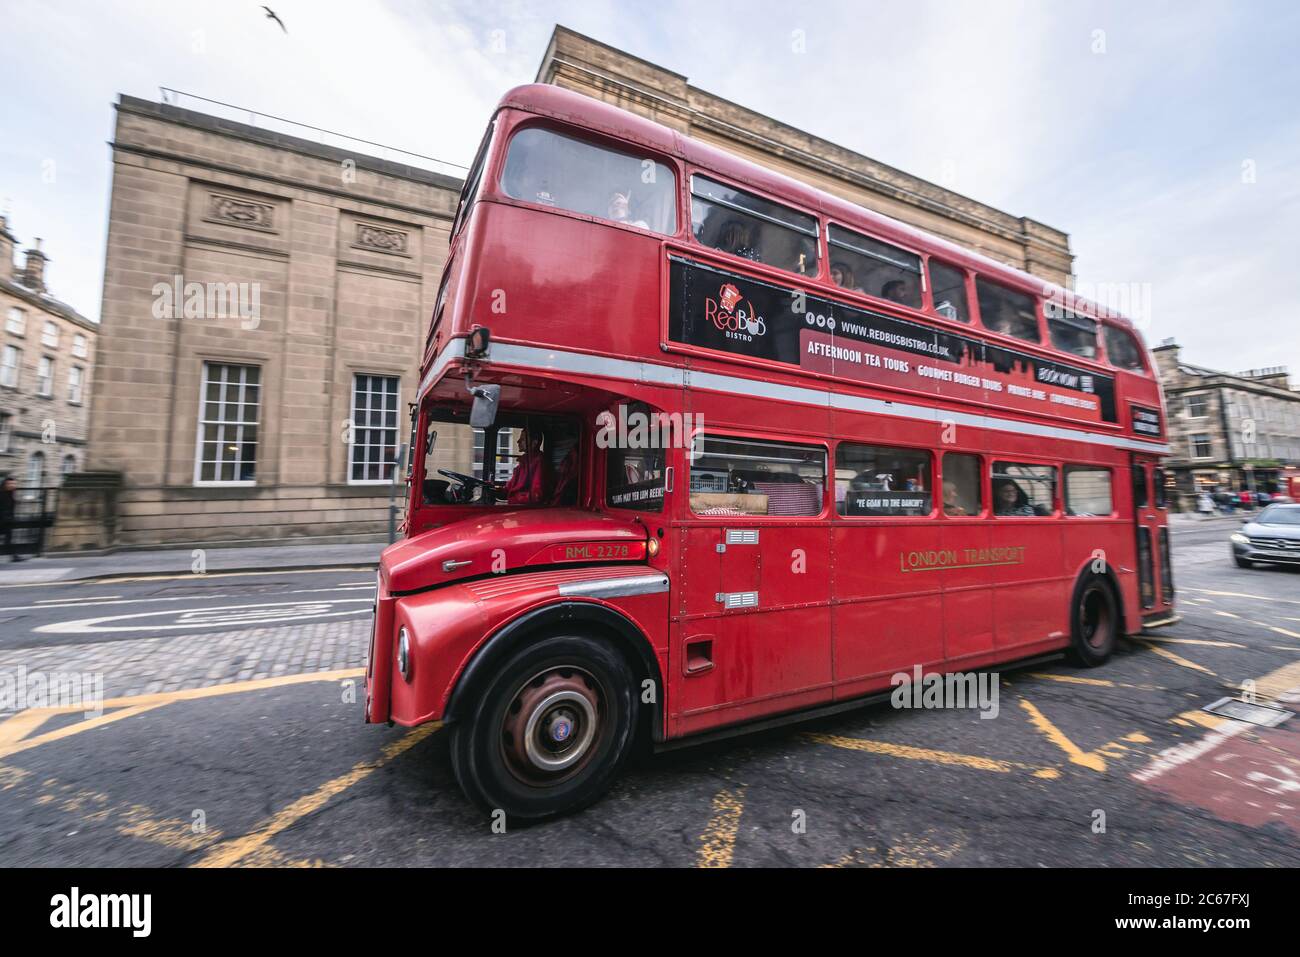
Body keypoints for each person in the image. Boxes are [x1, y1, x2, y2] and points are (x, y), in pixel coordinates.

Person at [501, 428, 552, 505]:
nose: (518, 441)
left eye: (523, 439)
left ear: (534, 443)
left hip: (528, 509)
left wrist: (515, 498)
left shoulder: (539, 461)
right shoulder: (524, 460)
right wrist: (496, 490)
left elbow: (536, 495)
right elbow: (510, 486)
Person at [1, 476, 23, 562]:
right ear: (5, 484)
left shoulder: (11, 494)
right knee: (8, 539)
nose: (13, 485)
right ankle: (14, 556)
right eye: (10, 483)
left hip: (7, 521)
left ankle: (14, 556)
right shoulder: (2, 494)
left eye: (14, 483)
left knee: (8, 539)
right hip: (2, 520)